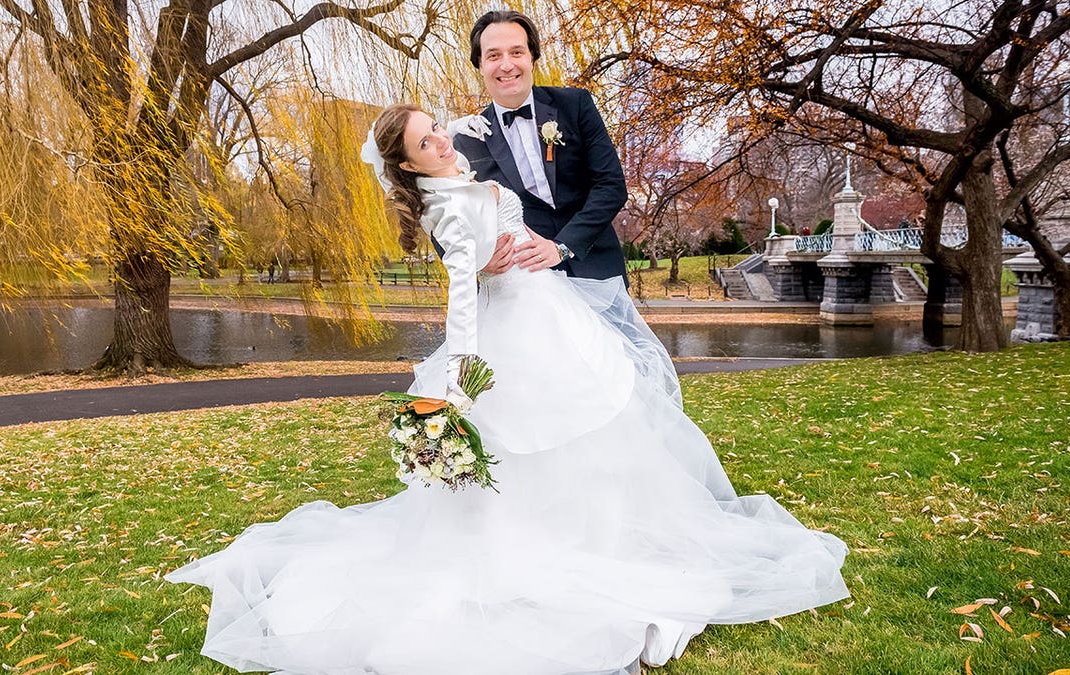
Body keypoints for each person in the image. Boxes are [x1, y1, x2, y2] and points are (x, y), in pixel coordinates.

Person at [165, 104, 849, 675]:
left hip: (547, 310)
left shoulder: (455, 176)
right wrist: (460, 381)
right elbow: (462, 296)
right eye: (426, 143)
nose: (443, 142)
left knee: (594, 438)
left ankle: (601, 539)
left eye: (438, 131)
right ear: (409, 166)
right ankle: (556, 556)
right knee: (539, 441)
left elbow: (475, 182)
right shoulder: (449, 208)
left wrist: (468, 141)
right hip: (513, 331)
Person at [452, 9, 628, 282]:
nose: (506, 65)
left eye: (517, 52)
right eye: (494, 56)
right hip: (524, 280)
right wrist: (477, 260)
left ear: (532, 57)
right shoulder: (467, 139)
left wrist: (563, 246)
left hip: (596, 268)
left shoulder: (576, 105)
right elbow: (446, 214)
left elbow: (611, 185)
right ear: (480, 64)